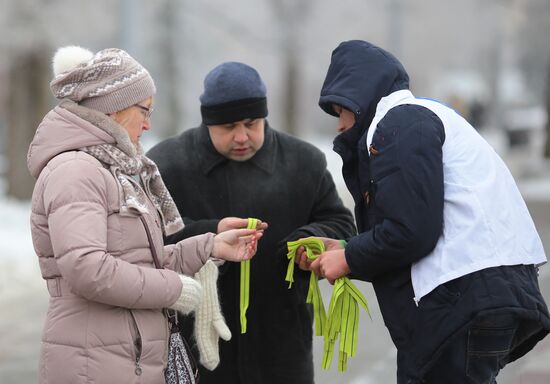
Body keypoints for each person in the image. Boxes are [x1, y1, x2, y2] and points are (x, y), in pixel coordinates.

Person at [299, 40, 550, 383]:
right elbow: (418, 223)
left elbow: (412, 231)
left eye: (340, 111)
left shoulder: (399, 125)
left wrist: (350, 258)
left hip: (462, 298)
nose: (340, 125)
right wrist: (347, 250)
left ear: (357, 99)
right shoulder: (423, 116)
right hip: (487, 291)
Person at [27, 46, 262, 384]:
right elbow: (87, 268)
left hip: (121, 356)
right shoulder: (77, 171)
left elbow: (137, 261)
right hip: (95, 362)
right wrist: (173, 289)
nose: (149, 124)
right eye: (144, 110)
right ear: (115, 109)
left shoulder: (111, 169)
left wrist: (209, 247)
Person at [147, 61, 356, 384]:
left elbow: (339, 222)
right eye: (228, 126)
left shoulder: (304, 162)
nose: (242, 136)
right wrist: (211, 234)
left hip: (283, 339)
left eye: (251, 123)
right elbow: (148, 238)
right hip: (196, 342)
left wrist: (310, 238)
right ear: (208, 123)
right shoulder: (168, 163)